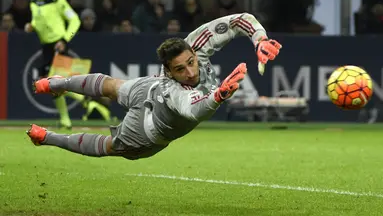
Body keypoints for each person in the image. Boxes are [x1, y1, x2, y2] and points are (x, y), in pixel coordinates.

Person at [27, 13, 282, 160]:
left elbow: (240, 20)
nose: (191, 72)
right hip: (149, 118)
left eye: (191, 62)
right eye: (180, 69)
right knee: (111, 128)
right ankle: (53, 105)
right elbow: (194, 111)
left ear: (193, 51)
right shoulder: (174, 89)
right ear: (169, 71)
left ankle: (52, 110)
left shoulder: (194, 44)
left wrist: (260, 39)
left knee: (113, 90)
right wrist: (218, 96)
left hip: (150, 108)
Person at [24, 0, 111, 129]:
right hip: (46, 47)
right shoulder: (33, 2)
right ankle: (69, 118)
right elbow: (39, 21)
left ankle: (87, 102)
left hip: (59, 45)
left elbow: (75, 21)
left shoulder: (58, 1)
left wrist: (65, 39)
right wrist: (32, 26)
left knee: (51, 82)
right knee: (50, 86)